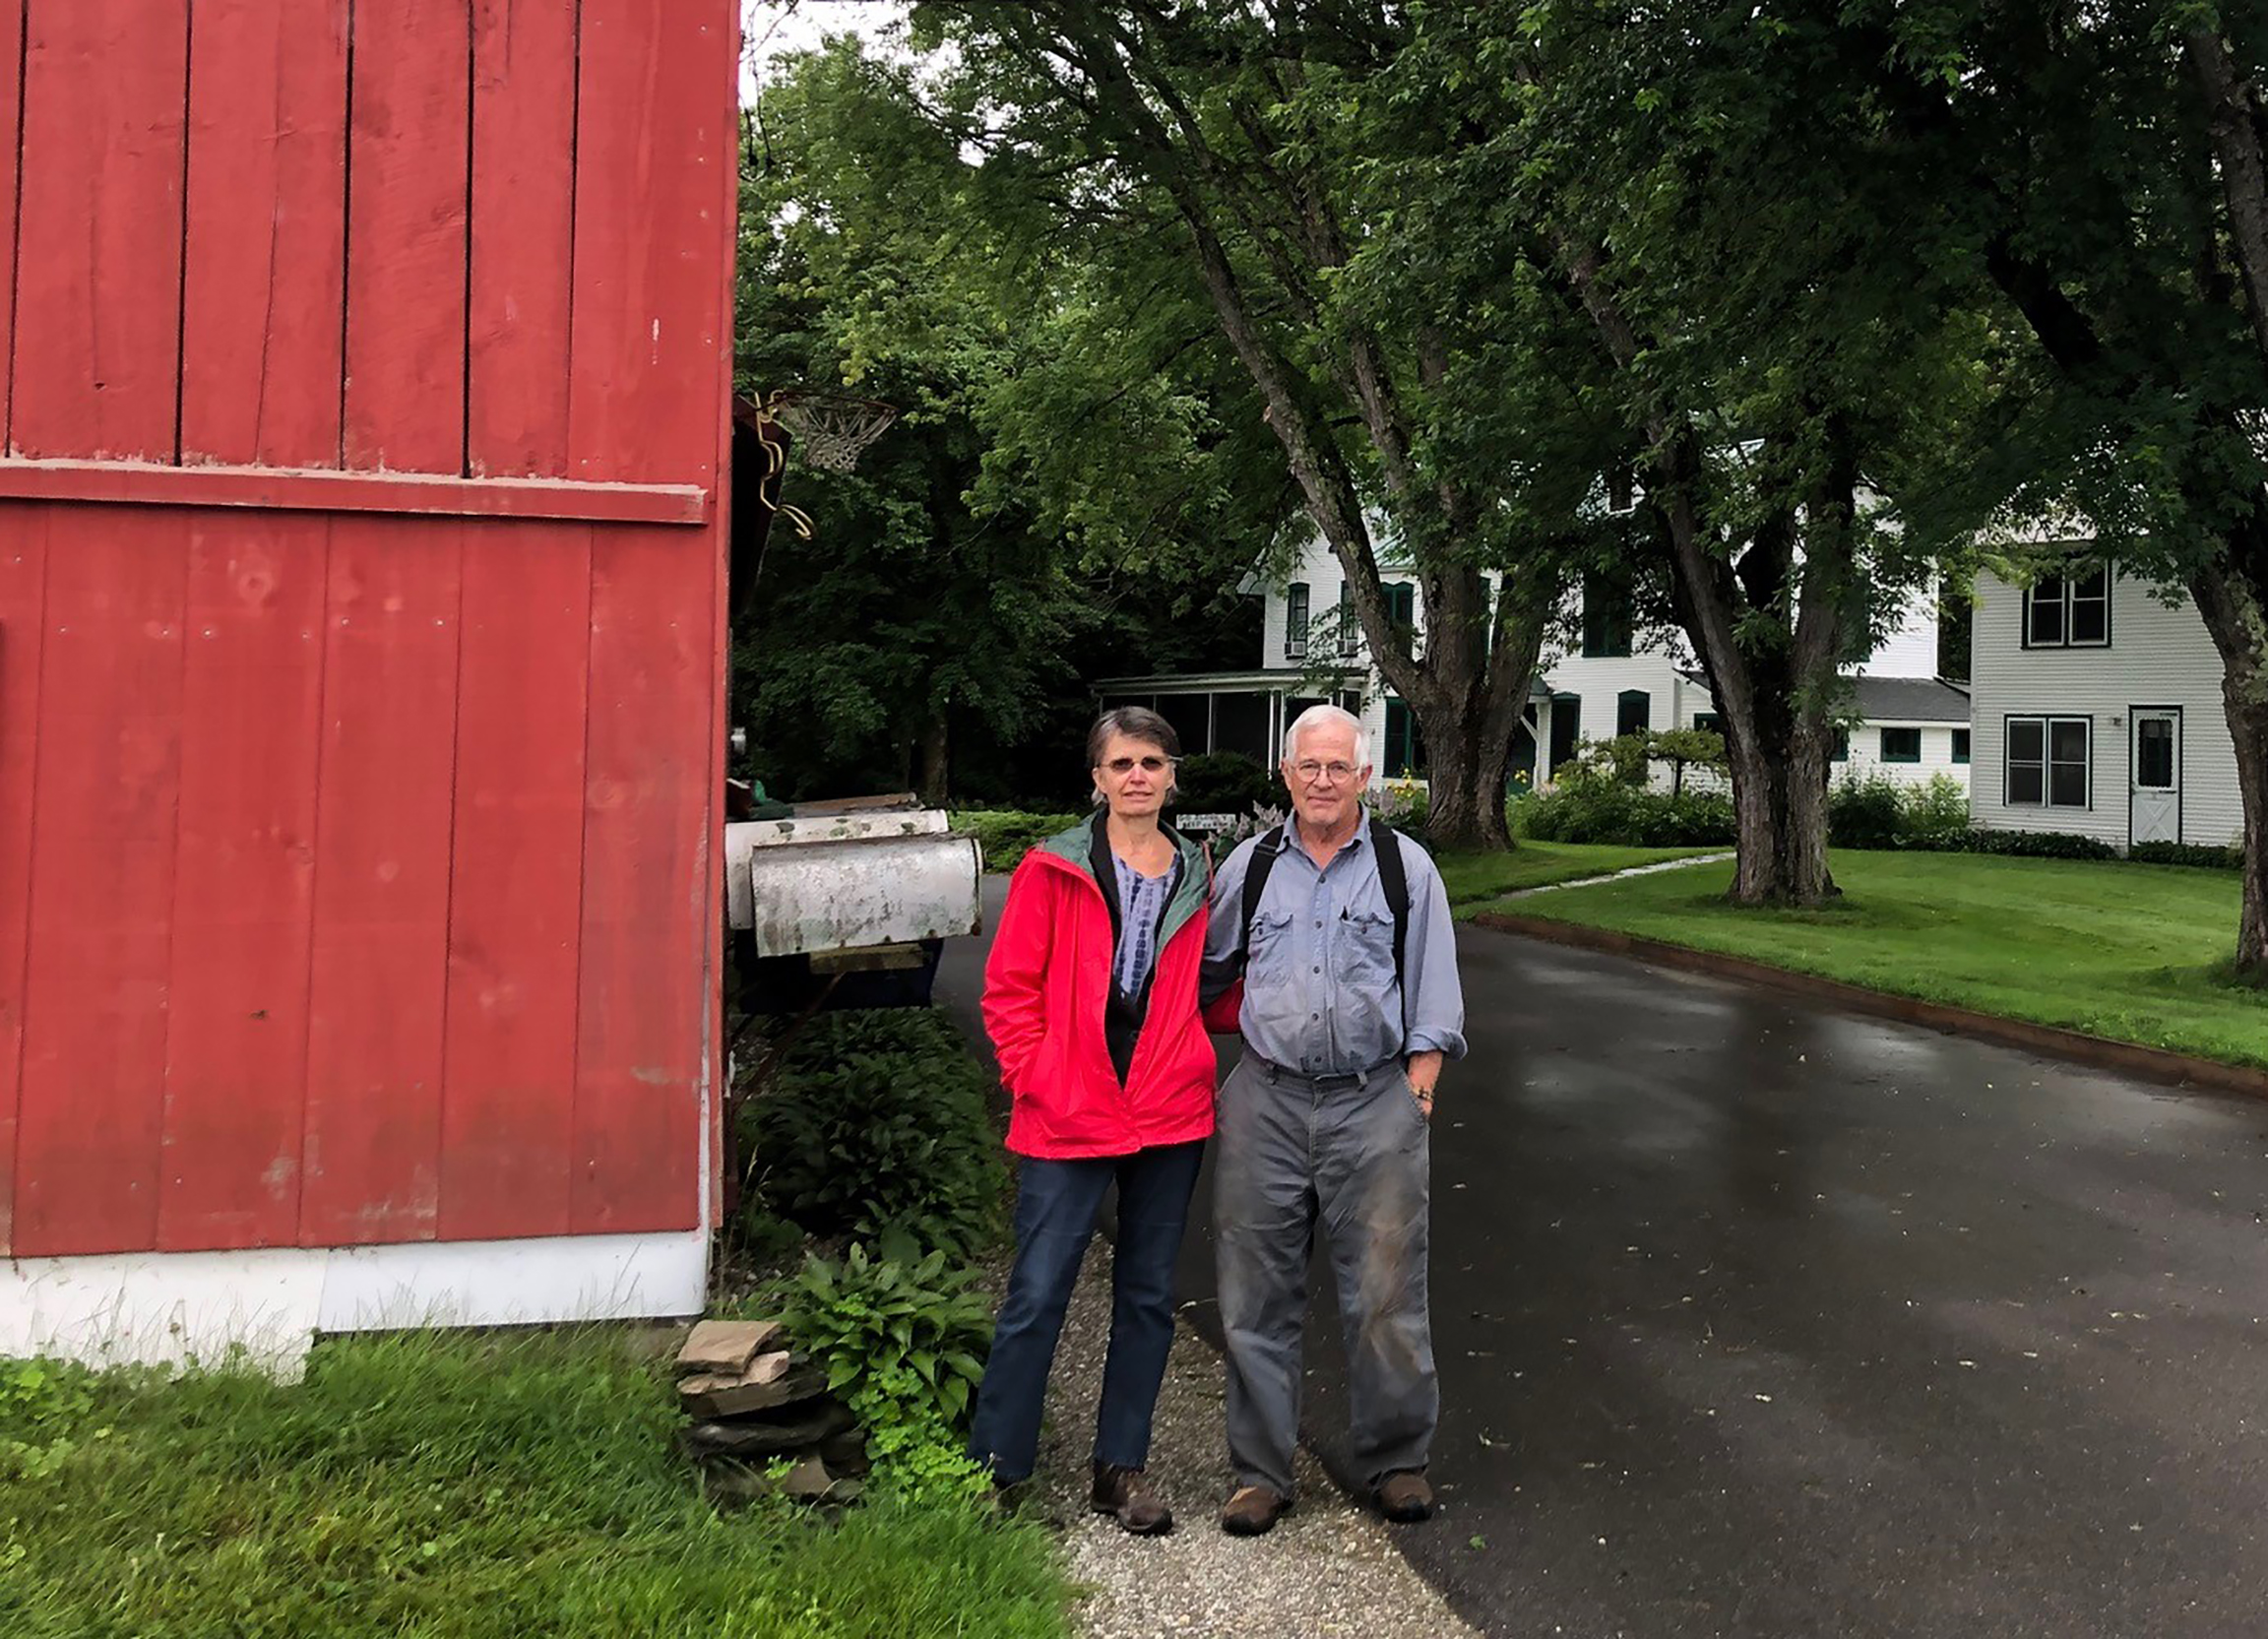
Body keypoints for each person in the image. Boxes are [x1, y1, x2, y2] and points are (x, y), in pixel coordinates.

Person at [1200, 703, 1466, 1536]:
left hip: (1373, 1101)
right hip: (1266, 1102)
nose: (1322, 780)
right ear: (1286, 774)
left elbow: (1434, 986)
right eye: (1307, 766)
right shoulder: (1246, 868)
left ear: (1363, 777)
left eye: (1338, 767)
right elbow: (1200, 976)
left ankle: (1396, 1460)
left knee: (1387, 1291)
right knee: (1253, 1295)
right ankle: (1260, 1472)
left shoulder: (1405, 867)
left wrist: (1418, 1088)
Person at [970, 707, 1218, 1534]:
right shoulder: (1053, 868)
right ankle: (997, 1470)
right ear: (1097, 778)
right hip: (1067, 1107)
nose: (1137, 775)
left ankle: (1120, 1470)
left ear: (1172, 774)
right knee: (1038, 1292)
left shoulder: (1197, 873)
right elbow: (1009, 992)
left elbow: (1213, 985)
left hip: (1167, 1108)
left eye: (1152, 761)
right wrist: (1034, 1075)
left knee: (1147, 1296)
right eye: (1121, 764)